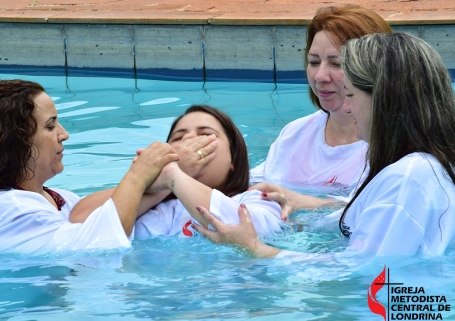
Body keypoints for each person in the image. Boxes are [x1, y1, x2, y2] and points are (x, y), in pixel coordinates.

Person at [195, 33, 455, 258]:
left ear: (384, 100)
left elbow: (362, 272)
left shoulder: (408, 177)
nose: (347, 106)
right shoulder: (412, 168)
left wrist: (254, 248)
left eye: (351, 94)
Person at [0, 79, 179, 254]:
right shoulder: (5, 209)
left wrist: (165, 180)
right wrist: (138, 176)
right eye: (50, 127)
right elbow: (101, 245)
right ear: (16, 142)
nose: (64, 134)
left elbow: (100, 214)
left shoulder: (58, 198)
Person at [250, 5, 392, 192]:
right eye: (314, 62)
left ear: (374, 69)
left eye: (336, 64)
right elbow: (252, 186)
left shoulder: (392, 150)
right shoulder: (294, 134)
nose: (320, 76)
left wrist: (300, 203)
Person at [133, 105, 284, 239]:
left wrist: (172, 172)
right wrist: (140, 182)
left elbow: (251, 230)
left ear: (233, 158)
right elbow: (113, 226)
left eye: (205, 134)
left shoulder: (256, 199)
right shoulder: (153, 209)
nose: (188, 138)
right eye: (178, 137)